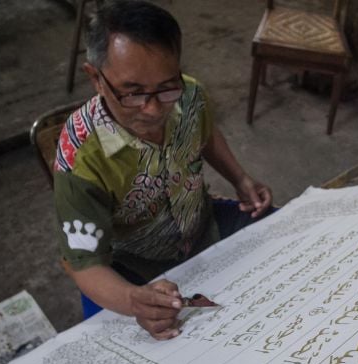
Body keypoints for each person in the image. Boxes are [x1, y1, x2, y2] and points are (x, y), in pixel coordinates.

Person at [53, 0, 273, 340]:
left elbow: (206, 132)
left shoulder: (190, 94)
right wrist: (133, 300)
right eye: (133, 93)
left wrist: (240, 179)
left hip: (202, 227)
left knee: (283, 235)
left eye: (167, 87)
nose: (154, 109)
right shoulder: (80, 156)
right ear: (95, 78)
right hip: (135, 267)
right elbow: (84, 263)